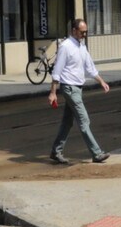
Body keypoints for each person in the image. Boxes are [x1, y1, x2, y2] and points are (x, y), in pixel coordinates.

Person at [47, 17, 110, 164]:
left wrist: (101, 81)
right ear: (74, 31)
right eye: (82, 32)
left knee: (67, 122)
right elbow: (57, 71)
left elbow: (90, 67)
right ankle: (97, 153)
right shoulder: (65, 46)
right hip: (69, 87)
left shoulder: (82, 46)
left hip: (77, 88)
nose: (84, 35)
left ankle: (56, 151)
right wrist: (53, 92)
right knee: (84, 119)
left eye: (86, 32)